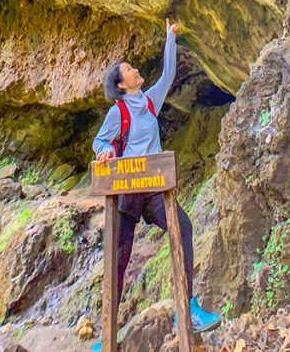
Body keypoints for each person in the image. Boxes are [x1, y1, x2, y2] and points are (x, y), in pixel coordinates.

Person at [91, 20, 220, 347]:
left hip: (154, 187)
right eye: (129, 69)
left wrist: (170, 37)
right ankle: (106, 334)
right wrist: (105, 151)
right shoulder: (117, 111)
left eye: (133, 67)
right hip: (128, 191)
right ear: (121, 84)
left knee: (184, 229)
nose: (135, 70)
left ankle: (186, 310)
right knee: (118, 261)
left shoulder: (149, 102)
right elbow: (100, 141)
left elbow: (169, 74)